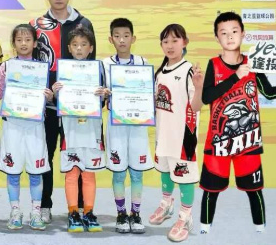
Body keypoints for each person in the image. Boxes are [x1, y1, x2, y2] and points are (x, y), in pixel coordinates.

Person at [199, 12, 276, 234]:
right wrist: (235, 77)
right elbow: (207, 97)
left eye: (234, 31)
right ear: (216, 38)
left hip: (248, 141)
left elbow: (269, 93)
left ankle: (260, 229)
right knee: (211, 190)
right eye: (224, 33)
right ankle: (204, 229)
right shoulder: (213, 64)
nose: (230, 36)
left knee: (254, 190)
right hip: (218, 142)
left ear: (243, 34)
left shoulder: (253, 63)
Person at [29, 0, 95, 223]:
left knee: (78, 156)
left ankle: (79, 208)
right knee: (45, 155)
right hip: (45, 104)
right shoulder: (36, 25)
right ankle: (44, 205)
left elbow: (90, 65)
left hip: (75, 107)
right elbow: (31, 65)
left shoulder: (83, 23)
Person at [0, 24, 52, 231]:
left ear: (34, 43)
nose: (23, 43)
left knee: (36, 171)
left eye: (27, 40)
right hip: (12, 125)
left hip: (35, 125)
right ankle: (15, 211)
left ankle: (36, 212)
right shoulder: (6, 67)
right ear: (13, 43)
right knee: (13, 171)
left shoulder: (42, 69)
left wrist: (49, 96)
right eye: (19, 40)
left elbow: (49, 95)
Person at [147, 24, 204, 243]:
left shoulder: (189, 71)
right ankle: (166, 204)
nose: (170, 45)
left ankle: (185, 217)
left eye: (175, 40)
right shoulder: (160, 72)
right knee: (165, 170)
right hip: (163, 134)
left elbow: (196, 107)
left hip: (182, 138)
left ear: (184, 42)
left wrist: (199, 88)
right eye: (165, 41)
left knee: (185, 177)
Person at [53, 25, 106, 233]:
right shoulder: (63, 70)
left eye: (84, 44)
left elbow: (103, 100)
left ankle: (89, 212)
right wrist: (56, 92)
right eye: (75, 44)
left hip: (92, 130)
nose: (79, 48)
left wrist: (103, 94)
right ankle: (73, 212)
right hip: (70, 129)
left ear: (91, 48)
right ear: (69, 47)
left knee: (89, 173)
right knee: (72, 173)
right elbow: (57, 101)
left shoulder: (98, 69)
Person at [103, 17, 154, 234]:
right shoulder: (105, 64)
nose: (122, 40)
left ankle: (136, 214)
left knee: (136, 173)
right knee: (118, 172)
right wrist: (103, 94)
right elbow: (98, 96)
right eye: (117, 36)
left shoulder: (143, 63)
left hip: (138, 126)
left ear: (133, 38)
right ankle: (121, 214)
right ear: (111, 39)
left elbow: (151, 92)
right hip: (116, 126)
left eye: (126, 36)